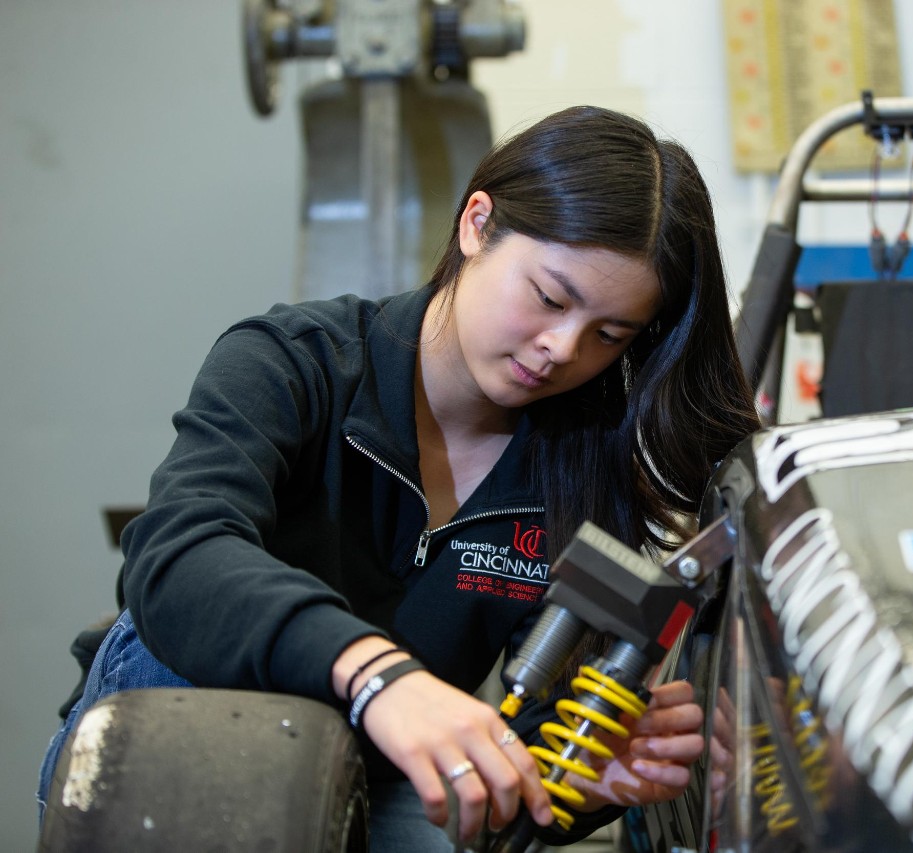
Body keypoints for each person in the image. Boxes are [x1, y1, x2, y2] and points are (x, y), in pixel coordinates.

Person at [37, 105, 760, 851]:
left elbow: (521, 745)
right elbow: (176, 555)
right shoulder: (294, 362)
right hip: (176, 734)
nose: (560, 348)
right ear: (477, 224)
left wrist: (577, 779)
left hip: (371, 776)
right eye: (549, 297)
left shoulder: (577, 467)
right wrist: (378, 674)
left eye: (608, 335)